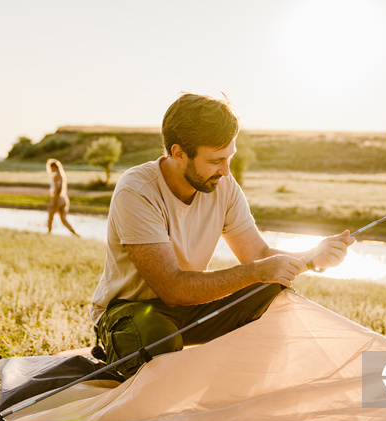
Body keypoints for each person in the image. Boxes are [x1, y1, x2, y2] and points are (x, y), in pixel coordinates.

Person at [90, 93, 354, 379]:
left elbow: (260, 256)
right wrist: (255, 271)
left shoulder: (223, 186)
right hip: (133, 309)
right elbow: (173, 289)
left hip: (191, 308)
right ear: (179, 154)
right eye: (216, 160)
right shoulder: (137, 191)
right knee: (158, 342)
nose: (226, 171)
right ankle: (122, 349)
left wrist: (314, 256)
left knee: (270, 292)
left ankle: (245, 386)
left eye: (229, 158)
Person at [46, 158, 80, 237]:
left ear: (53, 167)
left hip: (58, 198)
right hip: (64, 198)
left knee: (50, 216)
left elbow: (56, 189)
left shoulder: (56, 176)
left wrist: (53, 200)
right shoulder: (62, 175)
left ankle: (49, 233)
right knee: (63, 219)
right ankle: (75, 234)